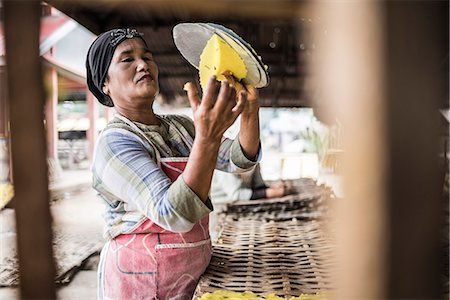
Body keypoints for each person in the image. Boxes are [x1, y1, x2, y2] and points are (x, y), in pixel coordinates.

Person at [86, 28, 262, 299]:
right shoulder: (115, 143)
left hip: (191, 272)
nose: (143, 64)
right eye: (127, 59)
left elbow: (240, 160)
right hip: (140, 281)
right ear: (104, 84)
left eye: (147, 56)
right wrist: (206, 138)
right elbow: (173, 215)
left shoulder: (181, 128)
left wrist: (250, 111)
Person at [210, 164, 288, 203]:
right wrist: (272, 193)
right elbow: (236, 195)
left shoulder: (254, 159)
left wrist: (273, 188)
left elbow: (258, 186)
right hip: (220, 209)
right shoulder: (226, 163)